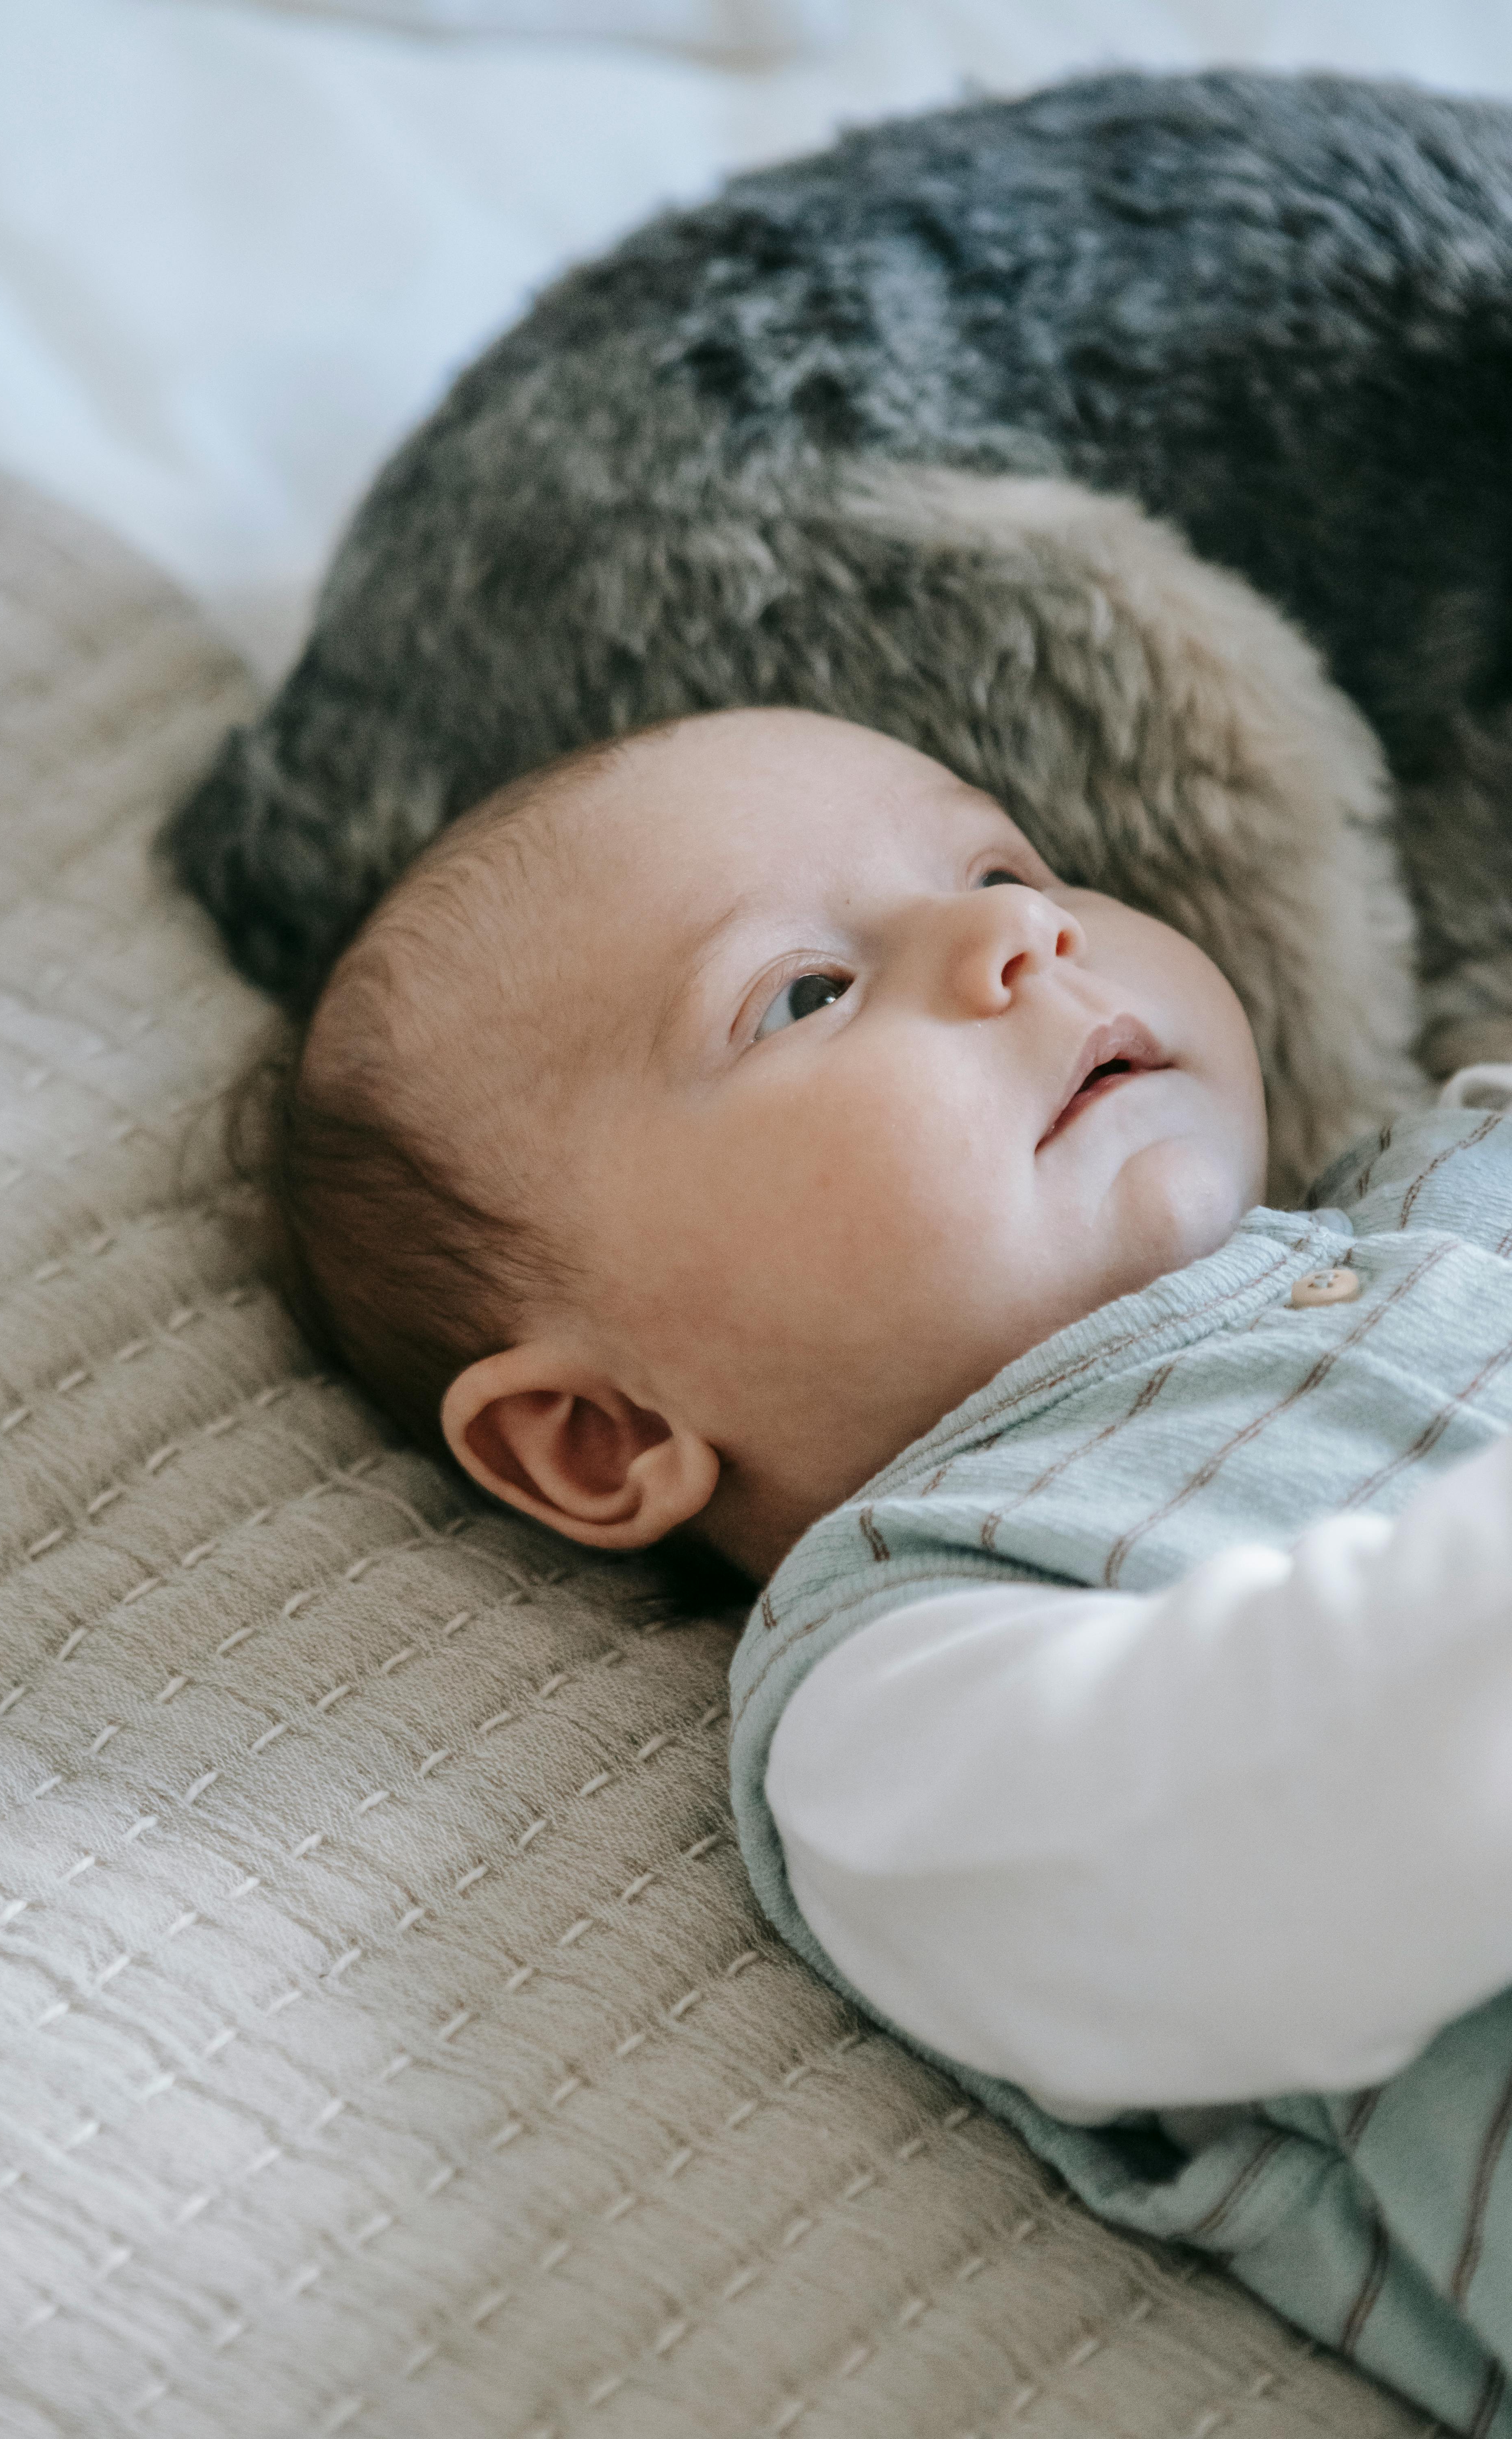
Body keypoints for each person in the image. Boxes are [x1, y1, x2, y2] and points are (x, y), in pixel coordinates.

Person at [271, 704, 1512, 2432]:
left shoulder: (1453, 1182)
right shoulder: (899, 1691)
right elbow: (1279, 1844)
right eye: (805, 992)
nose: (1022, 932)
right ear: (604, 1440)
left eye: (999, 864)